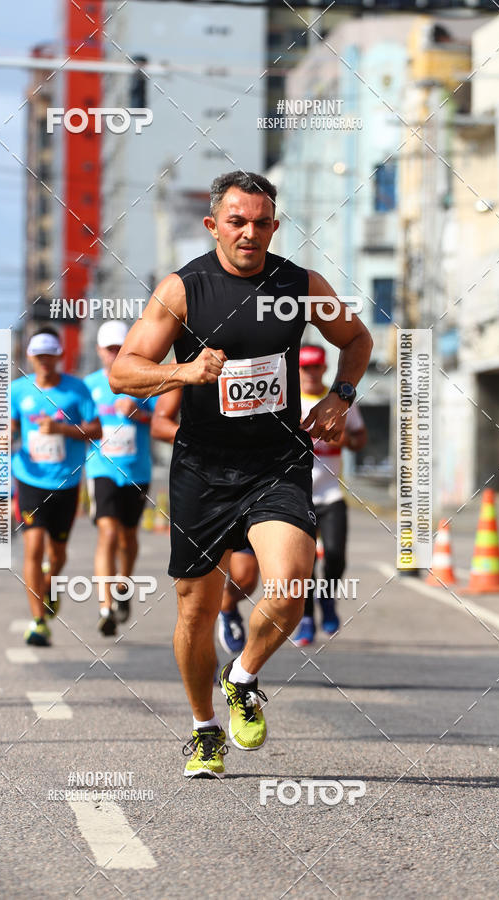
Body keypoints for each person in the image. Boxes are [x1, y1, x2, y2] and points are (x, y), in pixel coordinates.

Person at [109, 170, 372, 777]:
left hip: (276, 462)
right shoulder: (183, 289)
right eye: (237, 221)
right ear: (213, 225)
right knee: (195, 610)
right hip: (202, 466)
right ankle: (204, 730)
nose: (249, 232)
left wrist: (341, 395)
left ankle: (244, 674)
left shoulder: (300, 285)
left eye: (260, 222)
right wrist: (184, 373)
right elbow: (126, 371)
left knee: (289, 584)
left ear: (274, 226)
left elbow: (355, 339)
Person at [10, 327, 101, 646]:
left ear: (59, 356)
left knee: (58, 554)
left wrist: (61, 428)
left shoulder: (77, 390)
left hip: (67, 482)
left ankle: (50, 583)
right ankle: (38, 622)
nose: (45, 361)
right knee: (33, 547)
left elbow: (96, 429)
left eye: (50, 355)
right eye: (39, 355)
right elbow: (8, 429)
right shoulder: (18, 390)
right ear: (30, 357)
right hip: (30, 479)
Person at [152, 387, 259, 654]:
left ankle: (227, 605)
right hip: (203, 487)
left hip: (253, 481)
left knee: (246, 579)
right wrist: (207, 443)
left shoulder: (265, 354)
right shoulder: (191, 364)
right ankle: (201, 654)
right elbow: (159, 425)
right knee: (201, 590)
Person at [84, 320, 157, 636]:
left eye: (119, 348)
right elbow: (76, 426)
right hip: (102, 470)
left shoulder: (143, 381)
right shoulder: (88, 387)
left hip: (137, 472)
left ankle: (124, 587)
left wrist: (139, 414)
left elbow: (163, 422)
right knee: (108, 534)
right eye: (109, 349)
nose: (114, 354)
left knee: (128, 537)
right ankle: (105, 606)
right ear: (99, 351)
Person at [293, 345, 368, 646]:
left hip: (330, 494)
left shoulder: (339, 401)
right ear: (297, 370)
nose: (311, 372)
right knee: (304, 565)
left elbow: (361, 439)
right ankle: (307, 618)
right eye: (305, 367)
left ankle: (327, 600)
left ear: (325, 368)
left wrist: (344, 437)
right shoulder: (287, 401)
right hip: (297, 496)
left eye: (316, 367)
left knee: (335, 557)